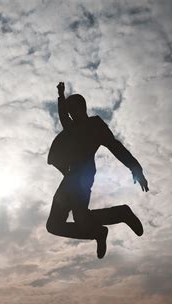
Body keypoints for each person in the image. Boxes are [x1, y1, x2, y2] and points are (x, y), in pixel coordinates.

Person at [46, 82, 149, 259]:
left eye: (74, 110)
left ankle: (122, 214)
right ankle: (99, 233)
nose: (71, 114)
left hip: (83, 176)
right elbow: (63, 115)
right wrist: (60, 95)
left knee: (81, 219)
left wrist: (135, 168)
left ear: (82, 108)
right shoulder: (71, 128)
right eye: (70, 112)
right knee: (54, 225)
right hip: (70, 178)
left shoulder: (95, 125)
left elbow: (116, 147)